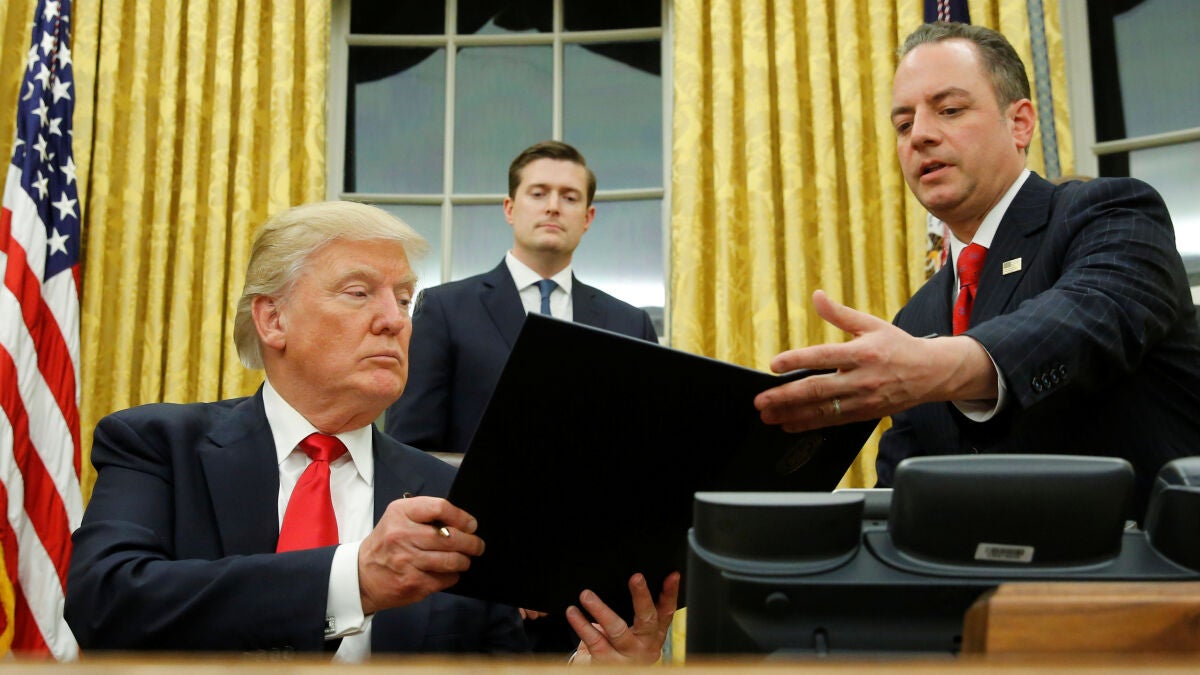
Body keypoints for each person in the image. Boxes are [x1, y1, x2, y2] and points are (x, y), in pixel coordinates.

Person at [64, 201, 678, 662]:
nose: (395, 321)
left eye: (405, 300)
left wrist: (593, 668)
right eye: (359, 293)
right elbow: (103, 605)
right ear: (273, 319)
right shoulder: (157, 443)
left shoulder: (452, 495)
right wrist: (353, 578)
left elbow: (497, 663)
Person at [753, 22, 1200, 517]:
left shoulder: (1111, 212)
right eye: (903, 124)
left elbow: (1090, 317)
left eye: (949, 110)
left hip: (1141, 559)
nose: (920, 135)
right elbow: (897, 503)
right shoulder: (915, 321)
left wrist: (939, 368)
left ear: (1020, 123)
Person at [384, 140, 658, 455]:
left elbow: (650, 444)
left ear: (588, 217)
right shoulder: (444, 310)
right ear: (510, 209)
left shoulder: (630, 324)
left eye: (570, 197)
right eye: (538, 194)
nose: (553, 206)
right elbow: (408, 448)